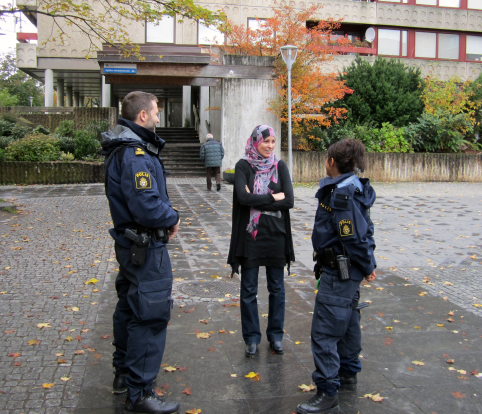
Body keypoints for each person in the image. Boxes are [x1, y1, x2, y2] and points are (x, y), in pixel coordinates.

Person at [101, 91, 180, 414]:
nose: (159, 117)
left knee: (130, 308)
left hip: (133, 246)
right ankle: (140, 393)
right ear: (143, 116)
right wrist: (172, 216)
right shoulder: (135, 154)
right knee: (149, 314)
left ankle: (124, 373)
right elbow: (146, 205)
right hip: (145, 247)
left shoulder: (128, 148)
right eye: (157, 112)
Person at [297, 139, 377, 414]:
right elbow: (367, 231)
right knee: (350, 321)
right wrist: (368, 263)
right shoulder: (352, 186)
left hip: (339, 271)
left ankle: (328, 392)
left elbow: (353, 236)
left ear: (332, 161)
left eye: (326, 157)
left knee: (325, 332)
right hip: (349, 270)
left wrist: (367, 264)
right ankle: (348, 375)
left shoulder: (341, 194)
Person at [227, 124, 295, 358]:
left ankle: (275, 335)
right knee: (248, 289)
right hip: (251, 236)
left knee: (277, 288)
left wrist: (257, 201)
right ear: (256, 141)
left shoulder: (280, 165)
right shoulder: (243, 166)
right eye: (266, 141)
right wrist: (271, 197)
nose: (270, 146)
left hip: (276, 235)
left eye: (273, 142)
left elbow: (289, 201)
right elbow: (243, 197)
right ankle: (251, 337)